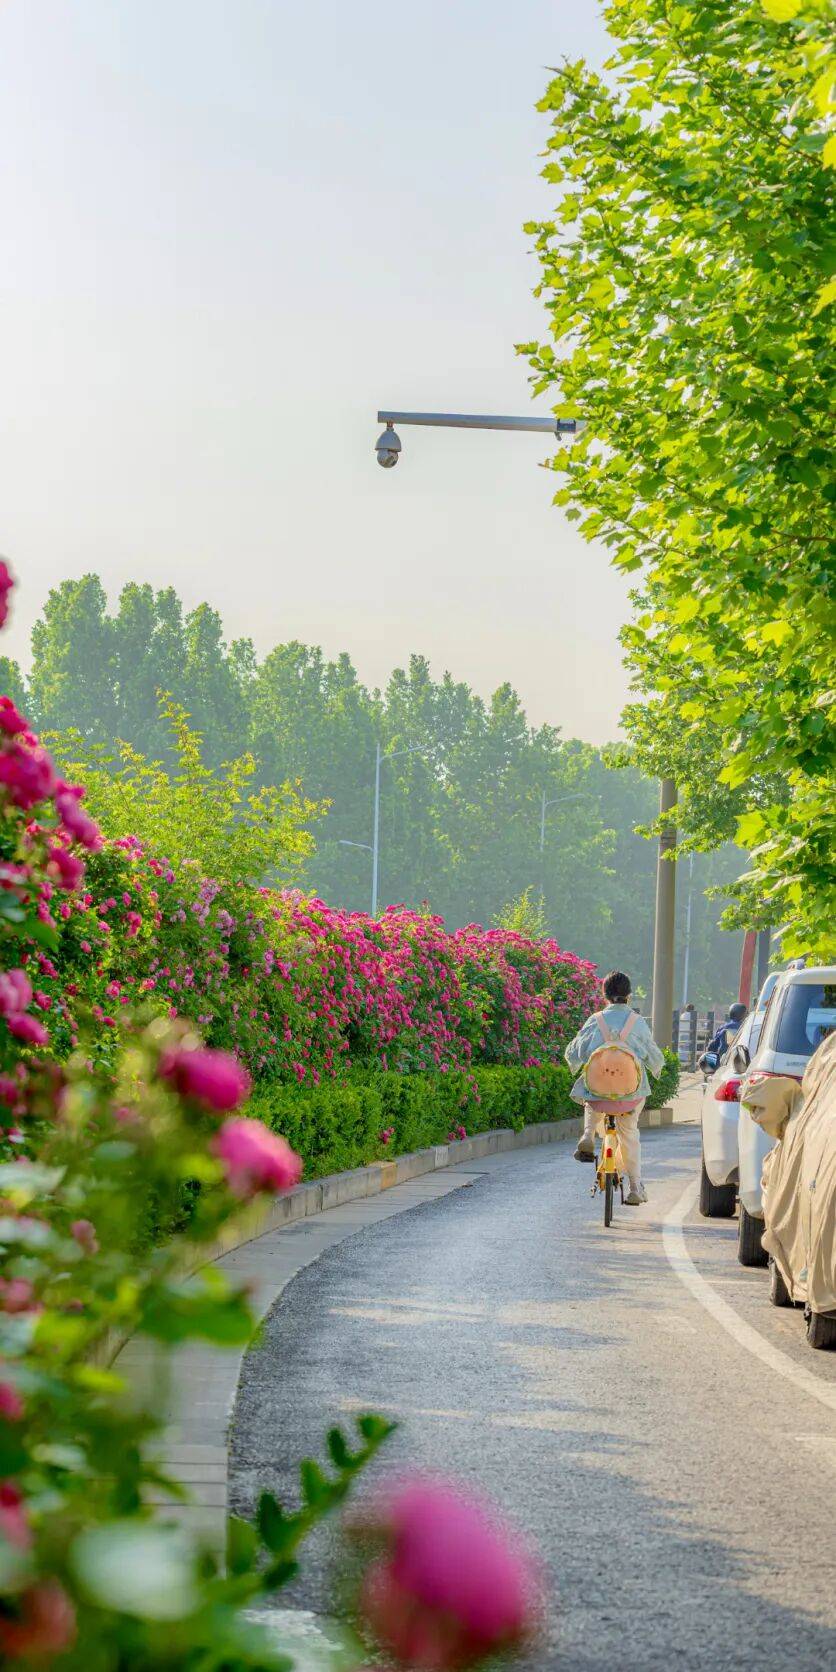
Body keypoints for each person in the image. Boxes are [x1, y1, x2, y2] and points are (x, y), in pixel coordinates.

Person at [565, 970, 664, 1206]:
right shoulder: (637, 1022)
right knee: (629, 1135)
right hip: (630, 1095)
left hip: (599, 1095)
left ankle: (588, 1134)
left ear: (604, 994)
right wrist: (655, 1067)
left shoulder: (596, 1020)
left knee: (590, 1095)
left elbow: (574, 1053)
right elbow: (655, 1059)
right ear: (629, 995)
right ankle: (634, 1188)